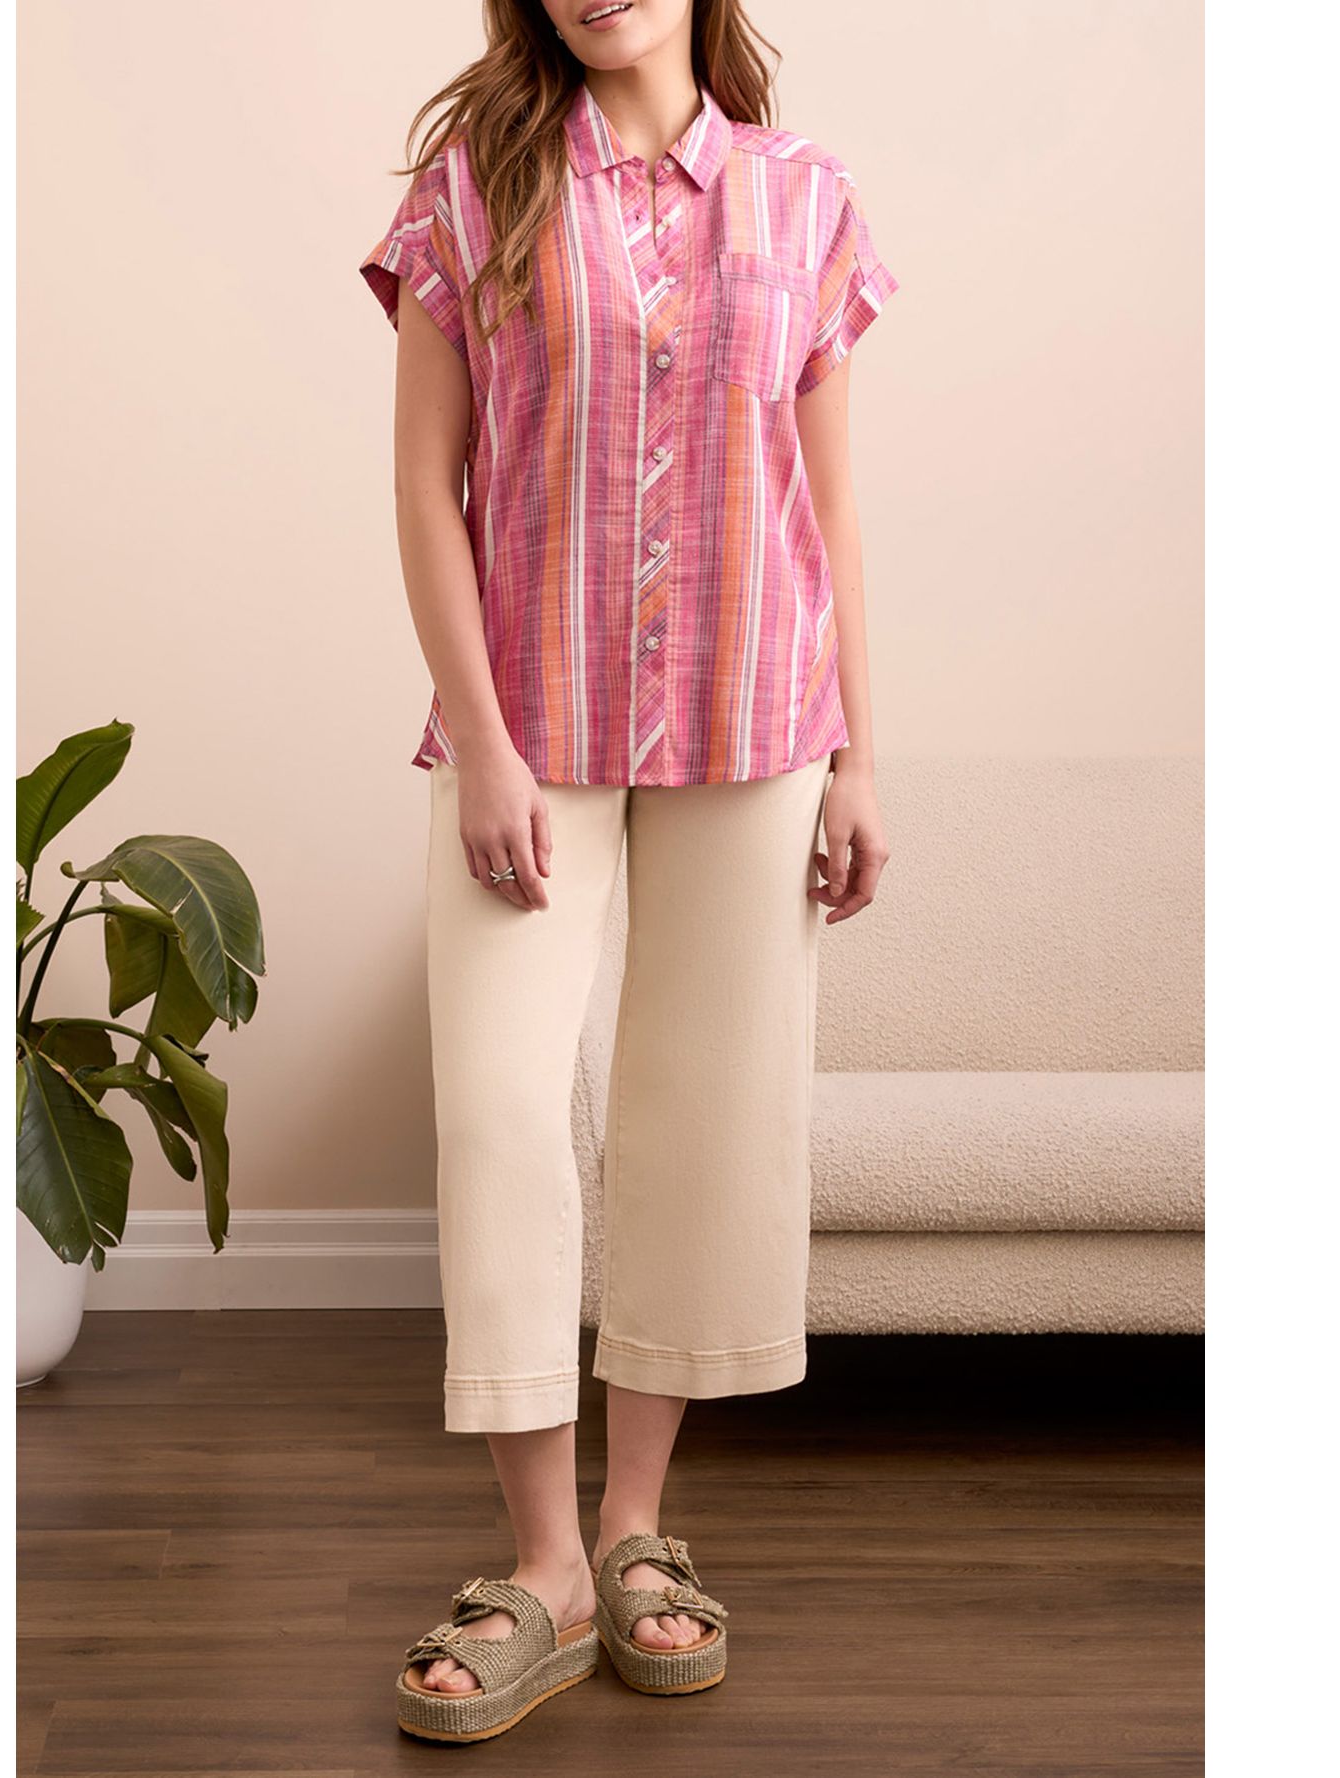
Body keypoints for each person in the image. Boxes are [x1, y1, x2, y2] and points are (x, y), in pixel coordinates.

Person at [359, 0, 897, 1742]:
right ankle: (545, 1562)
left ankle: (634, 1527)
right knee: (502, 1107)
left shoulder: (805, 196)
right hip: (532, 725)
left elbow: (827, 505)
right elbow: (423, 488)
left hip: (760, 719)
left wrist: (860, 755)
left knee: (704, 1118)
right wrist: (479, 737)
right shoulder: (471, 189)